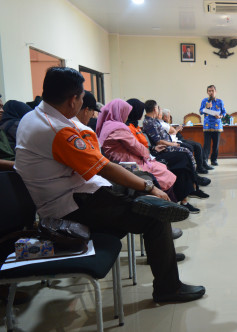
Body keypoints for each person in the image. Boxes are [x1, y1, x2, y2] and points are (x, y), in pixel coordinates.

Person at [14, 67, 205, 303]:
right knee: (155, 216)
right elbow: (103, 166)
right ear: (73, 100)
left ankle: (152, 224)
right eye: (83, 99)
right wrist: (150, 188)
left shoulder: (33, 117)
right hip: (71, 207)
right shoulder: (58, 131)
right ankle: (169, 288)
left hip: (74, 194)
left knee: (139, 192)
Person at [159, 108, 211, 174]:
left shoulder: (164, 123)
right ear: (165, 117)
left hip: (177, 139)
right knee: (195, 146)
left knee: (198, 145)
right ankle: (198, 168)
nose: (169, 118)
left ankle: (202, 165)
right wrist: (177, 129)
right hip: (174, 141)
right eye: (169, 116)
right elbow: (174, 131)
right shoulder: (162, 124)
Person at [199, 85, 226, 166]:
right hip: (207, 126)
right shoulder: (204, 101)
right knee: (206, 145)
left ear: (215, 92)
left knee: (216, 145)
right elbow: (200, 111)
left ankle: (214, 160)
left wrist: (220, 116)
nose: (211, 92)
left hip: (217, 126)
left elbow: (224, 112)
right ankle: (205, 161)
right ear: (207, 92)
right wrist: (206, 108)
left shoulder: (220, 101)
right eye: (209, 91)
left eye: (212, 91)